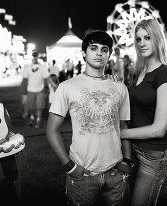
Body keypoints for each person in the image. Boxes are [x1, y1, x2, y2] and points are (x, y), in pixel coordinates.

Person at [46, 30, 132, 206]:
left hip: (115, 173)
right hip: (83, 175)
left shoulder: (120, 87)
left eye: (104, 49)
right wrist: (69, 166)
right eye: (93, 48)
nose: (99, 53)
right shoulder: (67, 87)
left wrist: (127, 161)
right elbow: (51, 130)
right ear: (84, 53)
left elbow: (123, 126)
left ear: (109, 54)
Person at [120, 19, 167, 206]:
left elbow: (159, 129)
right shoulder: (141, 70)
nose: (142, 43)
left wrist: (119, 134)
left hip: (154, 155)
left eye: (147, 37)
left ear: (158, 39)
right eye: (138, 39)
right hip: (134, 150)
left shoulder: (164, 74)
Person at [22, 51, 49, 128]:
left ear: (38, 57)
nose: (35, 57)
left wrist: (46, 87)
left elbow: (46, 78)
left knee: (39, 106)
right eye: (34, 56)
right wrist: (23, 92)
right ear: (32, 57)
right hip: (30, 90)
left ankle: (38, 120)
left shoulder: (43, 67)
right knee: (31, 106)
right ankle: (32, 118)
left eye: (36, 56)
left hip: (40, 90)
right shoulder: (27, 68)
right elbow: (24, 80)